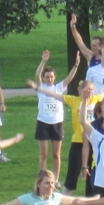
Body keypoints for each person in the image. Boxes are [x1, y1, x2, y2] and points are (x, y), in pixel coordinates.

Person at [28, 74, 104, 197]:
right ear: (80, 90)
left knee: (93, 174)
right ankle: (63, 204)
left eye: (91, 89)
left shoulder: (95, 100)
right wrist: (38, 88)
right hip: (78, 141)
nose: (89, 92)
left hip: (94, 143)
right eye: (86, 89)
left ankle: (91, 201)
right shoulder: (73, 100)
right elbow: (54, 95)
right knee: (72, 175)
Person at [32, 50, 79, 186]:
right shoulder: (40, 88)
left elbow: (70, 78)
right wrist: (43, 61)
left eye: (51, 77)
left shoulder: (59, 88)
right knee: (44, 154)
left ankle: (56, 180)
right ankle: (41, 180)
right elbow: (37, 75)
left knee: (56, 154)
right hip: (43, 123)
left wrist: (76, 64)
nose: (49, 79)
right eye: (47, 77)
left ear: (54, 77)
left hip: (57, 124)